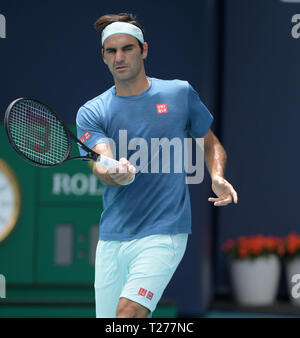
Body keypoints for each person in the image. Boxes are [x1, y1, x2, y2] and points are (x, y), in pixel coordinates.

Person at [76, 13, 238, 318]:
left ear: (144, 50)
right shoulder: (93, 111)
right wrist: (114, 172)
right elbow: (100, 162)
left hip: (164, 231)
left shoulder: (178, 94)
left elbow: (210, 142)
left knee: (127, 315)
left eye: (127, 48)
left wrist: (216, 174)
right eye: (111, 51)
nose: (119, 57)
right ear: (103, 57)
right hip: (113, 237)